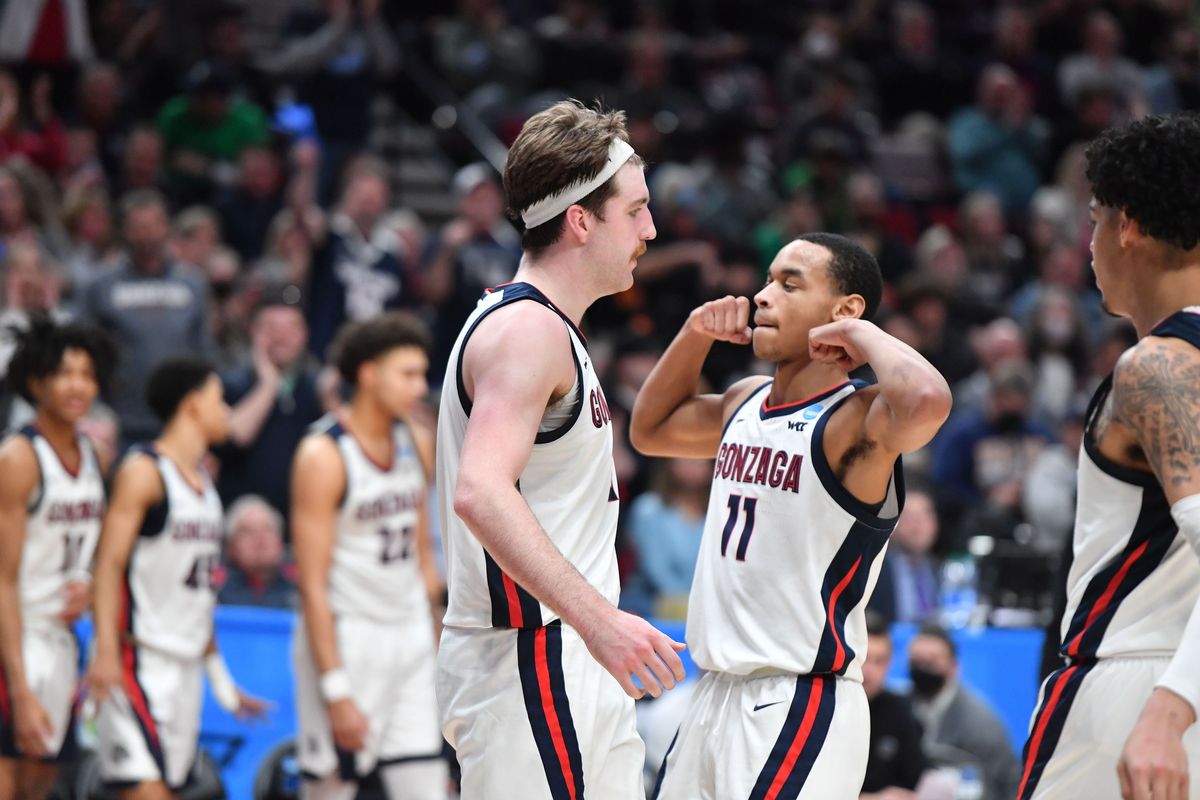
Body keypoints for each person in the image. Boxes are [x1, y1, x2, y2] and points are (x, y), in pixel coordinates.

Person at [630, 232, 952, 798]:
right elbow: (650, 431)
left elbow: (928, 399)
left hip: (799, 698)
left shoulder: (855, 419)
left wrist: (861, 333)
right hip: (713, 694)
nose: (762, 296)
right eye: (767, 280)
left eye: (789, 284)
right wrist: (694, 334)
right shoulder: (744, 400)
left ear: (843, 309)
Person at [436, 99, 684, 800]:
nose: (651, 229)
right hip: (534, 653)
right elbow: (481, 491)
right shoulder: (527, 332)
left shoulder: (546, 328)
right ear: (581, 221)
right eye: (634, 211)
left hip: (562, 650)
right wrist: (602, 622)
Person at [1017, 113, 1200, 800]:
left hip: (1137, 685)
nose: (1089, 244)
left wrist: (1169, 708)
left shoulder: (1159, 367)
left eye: (1093, 220)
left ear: (1125, 225)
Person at [85, 356, 267, 798]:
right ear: (192, 405)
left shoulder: (205, 486)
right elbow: (106, 564)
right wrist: (106, 651)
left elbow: (199, 598)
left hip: (185, 675)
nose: (226, 410)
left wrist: (223, 684)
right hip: (139, 664)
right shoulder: (144, 471)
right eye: (218, 399)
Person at [291, 313, 446, 800]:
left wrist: (442, 642)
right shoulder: (323, 455)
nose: (420, 387)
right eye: (408, 374)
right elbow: (311, 584)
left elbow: (424, 558)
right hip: (347, 637)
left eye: (423, 374)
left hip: (409, 637)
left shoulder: (416, 442)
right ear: (368, 373)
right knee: (332, 790)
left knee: (426, 787)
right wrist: (335, 690)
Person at [0, 316, 114, 800]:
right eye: (66, 374)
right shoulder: (18, 458)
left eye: (87, 375)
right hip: (13, 638)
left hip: (62, 644)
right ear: (36, 382)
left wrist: (89, 585)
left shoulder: (96, 456)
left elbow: (100, 553)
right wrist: (19, 690)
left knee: (39, 787)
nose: (79, 386)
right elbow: (1, 579)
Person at [77, 190, 214, 448]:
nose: (147, 236)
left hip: (181, 422)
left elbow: (204, 355)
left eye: (153, 226)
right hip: (120, 425)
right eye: (138, 228)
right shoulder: (99, 286)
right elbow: (84, 355)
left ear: (167, 228)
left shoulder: (192, 284)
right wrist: (94, 412)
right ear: (124, 231)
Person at [907, 625, 1019, 800]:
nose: (923, 668)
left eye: (932, 661)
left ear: (954, 666)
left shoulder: (981, 725)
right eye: (917, 660)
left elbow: (1004, 787)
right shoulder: (899, 708)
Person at [860, 612, 926, 799]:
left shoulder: (900, 712)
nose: (870, 670)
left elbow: (918, 780)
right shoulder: (823, 708)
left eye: (879, 661)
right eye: (864, 658)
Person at [217, 495, 295, 609]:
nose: (260, 539)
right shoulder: (215, 590)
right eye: (248, 532)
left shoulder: (299, 587)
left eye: (268, 529)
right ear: (231, 547)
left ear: (280, 541)